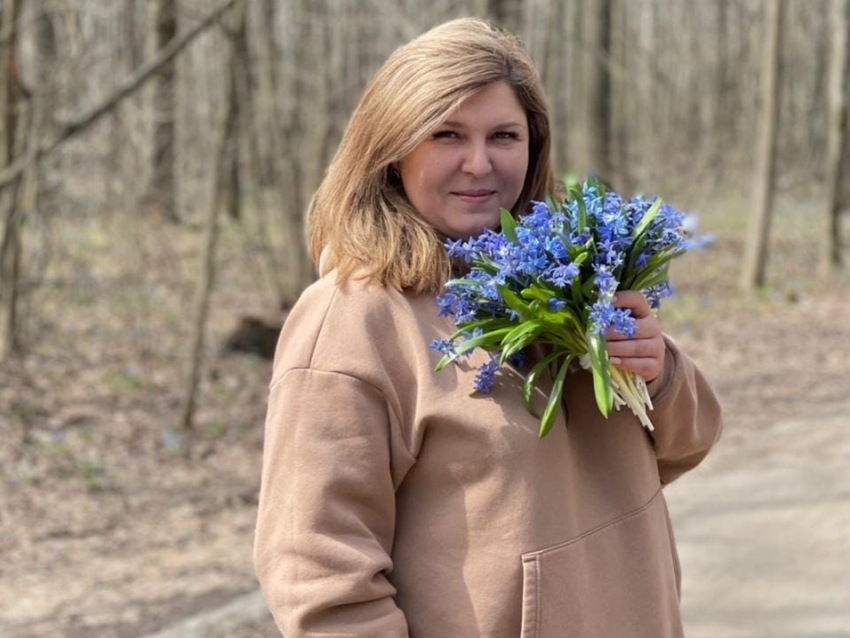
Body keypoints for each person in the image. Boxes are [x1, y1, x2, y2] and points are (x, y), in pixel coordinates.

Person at [254, 17, 722, 638]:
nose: (479, 163)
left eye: (504, 135)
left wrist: (657, 372)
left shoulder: (566, 272)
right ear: (394, 150)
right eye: (447, 134)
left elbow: (684, 445)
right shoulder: (356, 321)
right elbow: (318, 573)